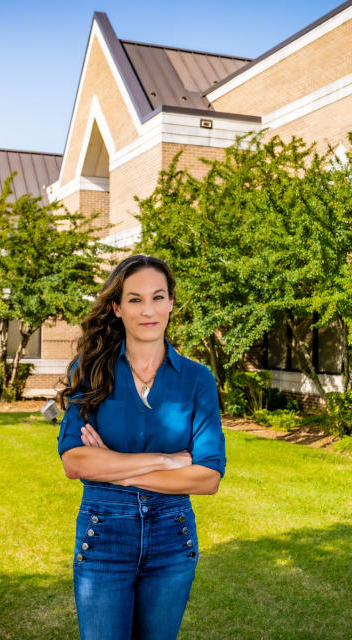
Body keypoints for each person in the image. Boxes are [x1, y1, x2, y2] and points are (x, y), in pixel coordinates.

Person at [58, 254, 226, 640]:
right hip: (104, 535)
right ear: (116, 308)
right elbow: (75, 462)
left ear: (170, 303)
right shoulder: (90, 370)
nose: (147, 310)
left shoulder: (197, 380)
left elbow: (207, 478)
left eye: (157, 297)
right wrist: (167, 461)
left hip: (173, 536)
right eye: (134, 299)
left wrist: (112, 468)